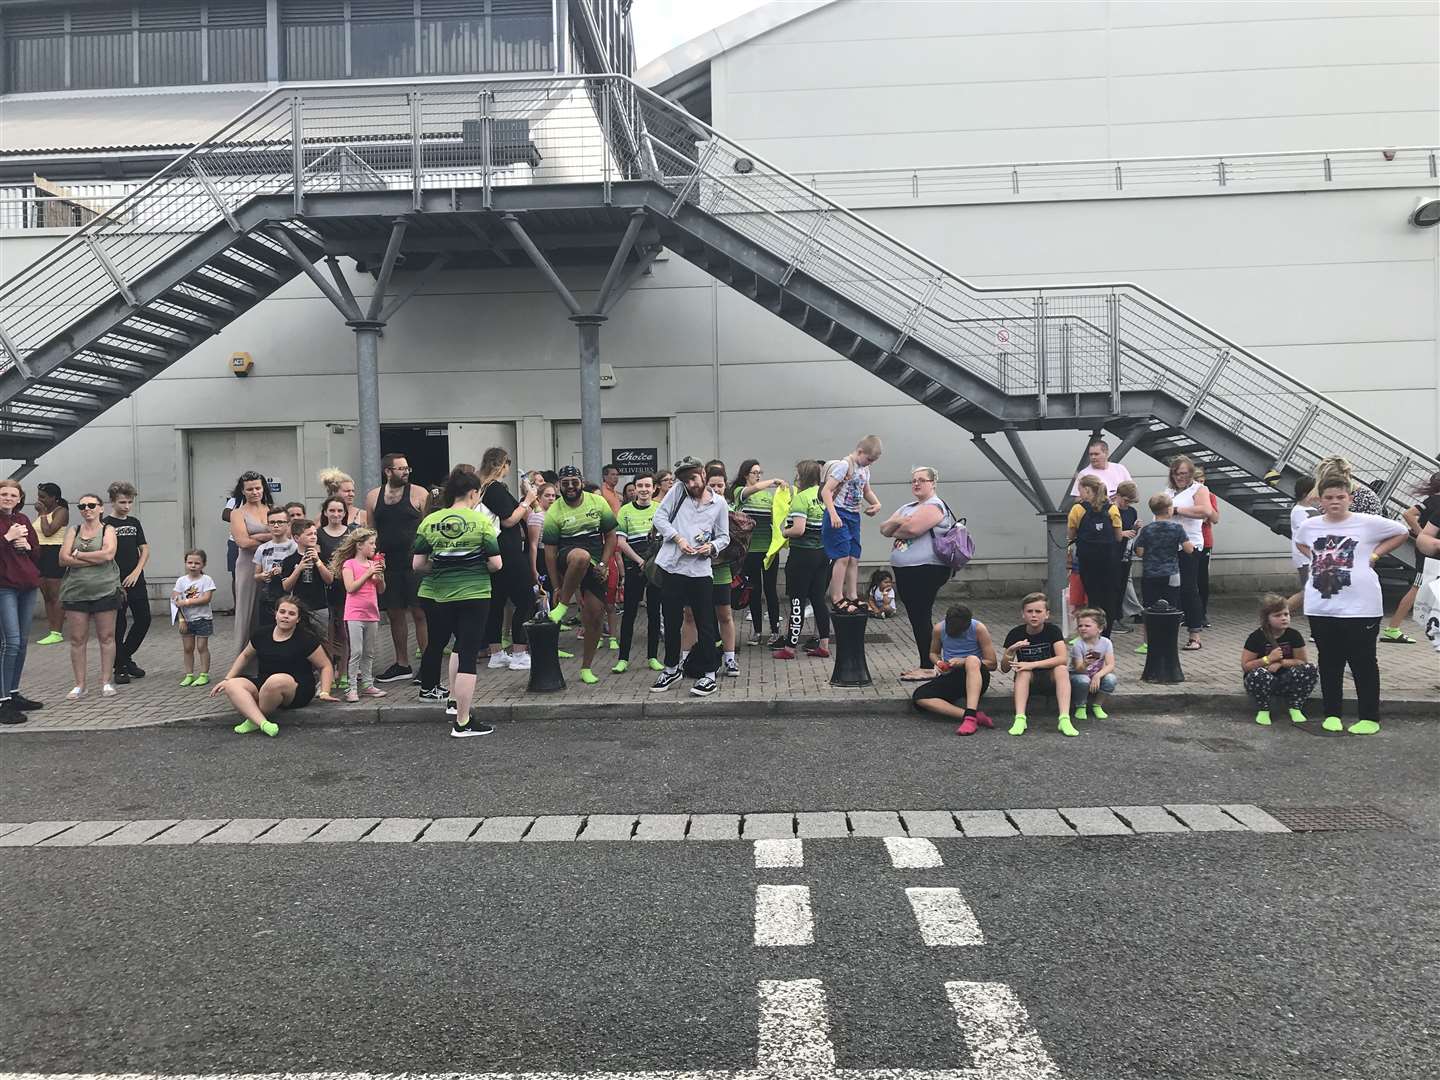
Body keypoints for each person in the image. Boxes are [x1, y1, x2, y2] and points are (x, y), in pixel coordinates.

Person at [1293, 459, 1408, 735]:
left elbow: (1402, 532)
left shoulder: (1367, 523)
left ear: (1350, 498)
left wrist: (1375, 555)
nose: (1335, 502)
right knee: (1329, 661)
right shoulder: (1311, 525)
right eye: (1329, 497)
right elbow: (1300, 542)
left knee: (1363, 661)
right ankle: (1331, 712)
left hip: (1362, 606)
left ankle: (1369, 716)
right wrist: (1318, 559)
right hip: (1322, 605)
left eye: (1340, 497)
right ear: (1320, 500)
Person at [413, 466, 503, 737]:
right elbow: (496, 564)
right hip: (475, 593)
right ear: (474, 493)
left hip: (439, 594)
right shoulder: (481, 522)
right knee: (467, 654)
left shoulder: (429, 521)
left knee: (454, 645)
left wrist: (444, 568)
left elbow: (418, 564)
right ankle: (463, 721)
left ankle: (453, 701)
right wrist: (472, 568)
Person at [650, 456, 728, 697]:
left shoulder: (719, 503)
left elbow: (724, 536)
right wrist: (678, 538)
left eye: (694, 478)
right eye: (685, 479)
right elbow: (659, 518)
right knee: (672, 621)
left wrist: (711, 547)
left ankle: (708, 673)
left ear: (703, 473)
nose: (691, 484)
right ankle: (672, 667)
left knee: (706, 621)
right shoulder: (678, 492)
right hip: (673, 566)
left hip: (700, 570)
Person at [212, 595, 335, 736]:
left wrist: (325, 691)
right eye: (282, 612)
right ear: (275, 614)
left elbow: (325, 665)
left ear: (298, 619)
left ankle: (252, 720)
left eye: (291, 614)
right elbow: (245, 656)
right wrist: (227, 678)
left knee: (276, 680)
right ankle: (262, 723)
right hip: (265, 683)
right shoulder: (261, 634)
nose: (286, 616)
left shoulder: (306, 639)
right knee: (232, 685)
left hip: (296, 689)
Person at [543, 465, 618, 685]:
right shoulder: (554, 511)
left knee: (595, 615)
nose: (570, 487)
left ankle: (586, 667)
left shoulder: (598, 502)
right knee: (581, 557)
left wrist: (604, 564)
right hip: (568, 556)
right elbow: (549, 554)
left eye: (574, 482)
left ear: (581, 483)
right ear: (559, 486)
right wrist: (556, 588)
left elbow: (611, 536)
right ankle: (564, 606)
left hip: (596, 557)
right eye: (565, 483)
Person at [881, 465, 953, 679]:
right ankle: (928, 662)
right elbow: (884, 529)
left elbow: (913, 530)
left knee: (921, 616)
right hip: (906, 570)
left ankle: (929, 666)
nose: (916, 483)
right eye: (913, 480)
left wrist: (899, 525)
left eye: (922, 480)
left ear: (933, 483)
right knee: (916, 616)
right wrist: (897, 522)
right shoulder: (908, 507)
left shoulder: (935, 505)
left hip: (927, 569)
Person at [364, 453, 430, 683]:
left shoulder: (420, 493)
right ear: (388, 471)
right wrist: (372, 561)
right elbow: (370, 531)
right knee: (394, 614)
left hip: (414, 563)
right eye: (400, 468)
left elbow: (428, 528)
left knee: (420, 612)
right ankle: (402, 664)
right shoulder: (374, 496)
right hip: (388, 563)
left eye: (407, 468)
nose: (405, 472)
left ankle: (428, 666)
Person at [478, 448, 540, 673]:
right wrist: (527, 500)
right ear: (502, 465)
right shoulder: (494, 488)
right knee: (525, 600)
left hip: (492, 552)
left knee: (496, 602)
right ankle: (520, 652)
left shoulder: (480, 488)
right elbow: (509, 520)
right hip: (509, 553)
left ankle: (496, 652)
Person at [58, 494, 122, 699]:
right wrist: (93, 559)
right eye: (82, 506)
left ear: (101, 508)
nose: (87, 509)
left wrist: (79, 555)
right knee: (77, 639)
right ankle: (80, 684)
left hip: (104, 589)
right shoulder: (73, 530)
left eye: (92, 505)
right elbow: (62, 559)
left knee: (106, 637)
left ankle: (105, 682)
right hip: (76, 591)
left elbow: (108, 555)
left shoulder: (108, 529)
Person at [773, 459, 832, 661]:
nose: (795, 478)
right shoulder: (825, 496)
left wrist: (783, 531)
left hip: (802, 555)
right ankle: (824, 644)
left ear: (804, 476)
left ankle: (790, 647)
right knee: (818, 599)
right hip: (823, 553)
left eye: (798, 474)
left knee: (797, 599)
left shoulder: (801, 499)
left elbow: (799, 529)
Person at [910, 604, 997, 736]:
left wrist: (964, 662)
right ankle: (972, 716)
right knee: (920, 697)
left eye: (959, 631)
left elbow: (992, 663)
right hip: (952, 675)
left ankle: (969, 718)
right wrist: (939, 663)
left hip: (977, 675)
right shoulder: (939, 629)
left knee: (972, 659)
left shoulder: (979, 628)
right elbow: (933, 653)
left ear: (967, 625)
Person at [999, 592, 1074, 737]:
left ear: (1047, 614)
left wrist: (1032, 664)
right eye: (1029, 611)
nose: (1034, 615)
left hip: (1051, 678)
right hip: (1028, 681)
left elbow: (1062, 658)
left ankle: (1064, 718)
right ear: (1023, 614)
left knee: (1062, 669)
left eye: (1038, 611)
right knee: (1023, 671)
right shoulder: (1015, 633)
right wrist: (1010, 651)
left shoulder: (1053, 631)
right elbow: (1004, 668)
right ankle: (1020, 718)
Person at [822, 435, 883, 611]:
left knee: (854, 557)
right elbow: (827, 491)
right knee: (842, 556)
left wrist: (876, 503)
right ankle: (837, 597)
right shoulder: (845, 465)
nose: (870, 463)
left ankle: (852, 595)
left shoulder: (865, 469)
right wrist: (833, 514)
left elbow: (866, 490)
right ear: (860, 451)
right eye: (869, 459)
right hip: (839, 512)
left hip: (854, 515)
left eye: (873, 461)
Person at [1163, 455, 1217, 651]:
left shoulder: (1199, 489)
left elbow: (1205, 511)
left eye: (1184, 473)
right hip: (1169, 545)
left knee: (1188, 588)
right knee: (1169, 589)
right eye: (1177, 473)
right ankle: (1168, 632)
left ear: (1191, 473)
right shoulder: (1168, 491)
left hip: (1190, 545)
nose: (1180, 477)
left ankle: (1195, 634)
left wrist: (1176, 510)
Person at [1381, 470, 1440, 644]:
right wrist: (1423, 535)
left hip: (1430, 549)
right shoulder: (1436, 500)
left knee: (1422, 586)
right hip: (1429, 551)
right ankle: (1393, 627)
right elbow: (1408, 514)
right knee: (1418, 586)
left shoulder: (1433, 499)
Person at [731, 459, 786, 647]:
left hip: (769, 550)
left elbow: (779, 515)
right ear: (746, 474)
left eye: (760, 472)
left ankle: (775, 631)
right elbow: (750, 491)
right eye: (755, 472)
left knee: (771, 590)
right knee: (754, 591)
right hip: (750, 551)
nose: (758, 476)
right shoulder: (740, 493)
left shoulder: (768, 497)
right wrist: (772, 481)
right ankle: (757, 631)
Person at [1240, 594, 1317, 727]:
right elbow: (1246, 666)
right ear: (1266, 619)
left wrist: (1281, 663)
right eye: (1277, 615)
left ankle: (1295, 707)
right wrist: (1267, 660)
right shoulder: (1256, 637)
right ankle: (1264, 710)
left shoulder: (1294, 635)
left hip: (1286, 679)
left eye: (1286, 614)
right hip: (1262, 682)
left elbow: (1302, 661)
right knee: (1259, 674)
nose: (1284, 618)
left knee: (1310, 669)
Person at [0, 479, 42, 723]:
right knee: (10, 643)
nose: (7, 498)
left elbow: (37, 553)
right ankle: (2, 700)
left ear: (19, 498)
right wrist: (7, 537)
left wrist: (26, 545)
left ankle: (13, 693)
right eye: (3, 494)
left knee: (23, 642)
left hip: (27, 586)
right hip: (4, 587)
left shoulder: (23, 520)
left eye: (12, 495)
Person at [1131, 493, 1194, 655]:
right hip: (1172, 573)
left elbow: (1139, 552)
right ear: (1169, 510)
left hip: (1150, 573)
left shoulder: (1147, 530)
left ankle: (1147, 643)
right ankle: (1169, 642)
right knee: (1172, 607)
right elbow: (1189, 549)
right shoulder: (1177, 528)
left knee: (1149, 607)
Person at [332, 527, 387, 702]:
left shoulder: (373, 564)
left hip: (372, 613)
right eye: (371, 543)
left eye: (374, 543)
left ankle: (368, 684)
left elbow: (381, 590)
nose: (374, 546)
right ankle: (352, 687)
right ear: (359, 545)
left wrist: (380, 576)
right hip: (355, 613)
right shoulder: (350, 564)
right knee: (356, 651)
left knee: (369, 651)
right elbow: (351, 588)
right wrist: (368, 574)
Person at [614, 473, 661, 673]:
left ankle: (652, 657)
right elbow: (620, 542)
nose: (643, 489)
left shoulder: (660, 510)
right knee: (629, 614)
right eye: (640, 485)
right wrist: (640, 561)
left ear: (653, 488)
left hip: (656, 570)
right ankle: (623, 658)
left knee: (654, 614)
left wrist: (652, 562)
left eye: (647, 485)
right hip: (634, 568)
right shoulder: (624, 511)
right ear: (634, 488)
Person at [104, 482, 151, 684]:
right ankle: (120, 667)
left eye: (130, 502)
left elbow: (145, 549)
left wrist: (137, 571)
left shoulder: (134, 522)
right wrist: (116, 580)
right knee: (119, 624)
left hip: (136, 578)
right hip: (115, 581)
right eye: (122, 502)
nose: (126, 506)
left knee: (144, 619)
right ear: (112, 501)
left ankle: (123, 658)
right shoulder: (105, 524)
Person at [1067, 475, 1123, 637]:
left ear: (1086, 490)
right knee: (1110, 598)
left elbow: (1071, 535)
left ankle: (1093, 634)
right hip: (1110, 561)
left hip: (1088, 561)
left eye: (1080, 489)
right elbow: (1118, 536)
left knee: (1093, 598)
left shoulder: (1078, 509)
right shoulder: (1112, 508)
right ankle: (1107, 634)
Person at [701, 466, 740, 676]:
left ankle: (731, 659)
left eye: (720, 485)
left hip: (722, 568)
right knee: (698, 616)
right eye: (712, 485)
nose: (716, 489)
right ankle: (702, 657)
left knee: (725, 614)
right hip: (699, 568)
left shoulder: (729, 507)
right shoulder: (697, 506)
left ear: (726, 486)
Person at [228, 470, 274, 645]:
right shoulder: (237, 513)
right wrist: (271, 538)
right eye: (250, 489)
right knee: (247, 611)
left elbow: (286, 535)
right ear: (242, 491)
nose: (255, 492)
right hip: (248, 565)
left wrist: (256, 537)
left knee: (270, 610)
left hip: (272, 563)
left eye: (258, 488)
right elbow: (243, 542)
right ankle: (244, 661)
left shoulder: (272, 510)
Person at [316, 496, 355, 690]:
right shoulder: (318, 534)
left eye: (340, 511)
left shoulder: (351, 533)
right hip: (325, 587)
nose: (336, 514)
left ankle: (346, 671)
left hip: (346, 587)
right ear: (325, 512)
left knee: (345, 631)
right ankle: (329, 671)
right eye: (332, 511)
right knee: (328, 632)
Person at [172, 549, 216, 687]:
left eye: (197, 563)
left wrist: (187, 602)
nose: (193, 565)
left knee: (202, 646)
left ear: (203, 564)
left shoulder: (206, 580)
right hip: (187, 619)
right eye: (189, 562)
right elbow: (175, 600)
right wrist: (181, 619)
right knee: (188, 648)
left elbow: (206, 598)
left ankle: (204, 674)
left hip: (203, 618)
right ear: (185, 563)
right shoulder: (181, 581)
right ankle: (189, 674)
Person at [252, 506, 297, 630]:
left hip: (288, 596)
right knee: (266, 629)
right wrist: (262, 576)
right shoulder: (262, 548)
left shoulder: (294, 547)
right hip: (267, 595)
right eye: (272, 522)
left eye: (280, 522)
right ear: (268, 525)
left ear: (288, 524)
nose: (276, 525)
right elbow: (256, 575)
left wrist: (284, 571)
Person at [33, 482, 67, 646]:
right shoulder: (44, 513)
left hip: (54, 553)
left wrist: (43, 513)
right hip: (41, 554)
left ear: (54, 498)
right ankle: (51, 630)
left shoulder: (61, 512)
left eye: (43, 497)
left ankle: (57, 632)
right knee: (46, 594)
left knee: (55, 594)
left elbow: (48, 531)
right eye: (39, 496)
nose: (39, 500)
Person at [1068, 608, 1117, 722]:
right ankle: (1081, 705)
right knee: (1083, 680)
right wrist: (1085, 663)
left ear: (1099, 628)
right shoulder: (1078, 645)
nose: (1083, 628)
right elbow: (1078, 669)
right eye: (1080, 626)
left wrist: (1098, 676)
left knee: (1111, 679)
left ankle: (1097, 705)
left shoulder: (1106, 642)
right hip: (1078, 675)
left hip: (1095, 675)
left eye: (1087, 626)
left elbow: (1110, 665)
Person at [280, 519, 333, 623]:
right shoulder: (289, 560)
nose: (313, 537)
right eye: (309, 534)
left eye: (315, 534)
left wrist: (318, 561)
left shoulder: (323, 557)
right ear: (296, 538)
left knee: (321, 638)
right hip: (298, 607)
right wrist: (299, 568)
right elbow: (286, 587)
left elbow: (329, 580)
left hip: (320, 606)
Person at [1286, 477, 1319, 614]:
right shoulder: (1299, 511)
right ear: (1306, 493)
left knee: (1312, 589)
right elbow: (1306, 535)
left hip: (1311, 556)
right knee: (1309, 590)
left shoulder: (1310, 509)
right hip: (1305, 557)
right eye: (1315, 489)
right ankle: (1278, 611)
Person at [1193, 465, 1219, 627]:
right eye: (1197, 481)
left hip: (1205, 540)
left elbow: (1215, 518)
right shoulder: (1188, 496)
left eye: (1203, 481)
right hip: (1189, 541)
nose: (1201, 484)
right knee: (1188, 579)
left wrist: (1206, 512)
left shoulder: (1210, 496)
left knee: (1202, 578)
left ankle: (1202, 613)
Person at [1112, 480, 1140, 632]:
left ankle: (1118, 617)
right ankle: (1112, 618)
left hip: (1126, 554)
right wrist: (1121, 534)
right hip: (1113, 555)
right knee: (1113, 587)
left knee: (1122, 587)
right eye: (1126, 501)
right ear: (1118, 495)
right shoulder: (1111, 510)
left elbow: (1132, 534)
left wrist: (1135, 529)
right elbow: (1107, 533)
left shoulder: (1131, 511)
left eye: (1130, 502)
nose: (1127, 504)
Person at [1069, 436, 1133, 497]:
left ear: (1106, 453)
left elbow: (1132, 490)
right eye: (1091, 454)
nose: (1093, 457)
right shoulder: (1084, 474)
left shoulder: (1120, 468)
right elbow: (1076, 498)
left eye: (1096, 454)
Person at [529, 482, 557, 599]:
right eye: (547, 495)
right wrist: (534, 569)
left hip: (553, 555)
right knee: (545, 594)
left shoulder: (553, 514)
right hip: (542, 556)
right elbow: (533, 545)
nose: (551, 498)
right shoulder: (537, 515)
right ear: (539, 498)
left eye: (553, 495)